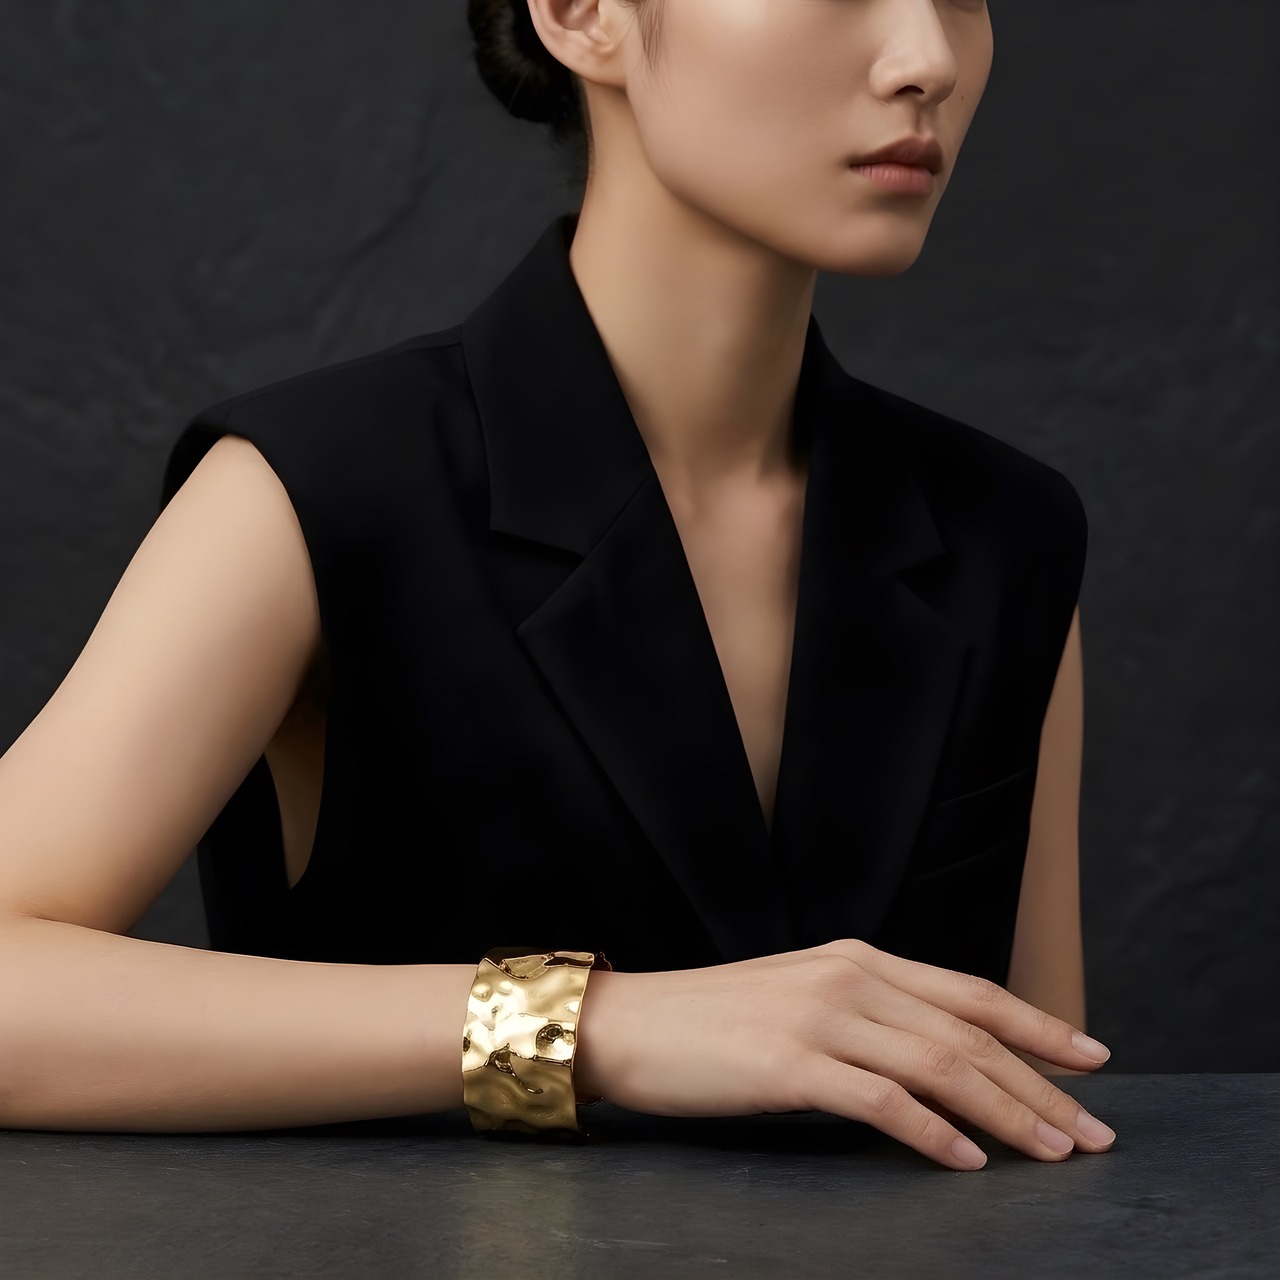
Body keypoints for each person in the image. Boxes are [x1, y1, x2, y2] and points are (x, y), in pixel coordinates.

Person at [0, 0, 1117, 1171]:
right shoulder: (315, 488)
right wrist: (592, 1025)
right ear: (582, 15)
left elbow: (1034, 1104)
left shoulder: (1003, 532)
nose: (928, 58)